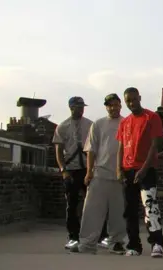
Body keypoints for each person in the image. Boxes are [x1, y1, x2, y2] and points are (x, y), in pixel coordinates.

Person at [70, 94, 126, 254]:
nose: (114, 108)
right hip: (99, 173)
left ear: (120, 106)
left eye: (116, 105)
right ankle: (87, 243)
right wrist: (89, 172)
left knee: (118, 212)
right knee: (92, 211)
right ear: (106, 107)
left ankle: (116, 243)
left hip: (118, 175)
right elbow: (91, 150)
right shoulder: (98, 124)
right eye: (110, 105)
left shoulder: (125, 123)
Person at [52, 96, 108, 250]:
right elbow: (58, 150)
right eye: (78, 107)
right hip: (71, 169)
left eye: (82, 107)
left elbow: (98, 146)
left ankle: (101, 236)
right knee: (72, 204)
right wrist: (63, 170)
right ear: (71, 107)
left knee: (96, 204)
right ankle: (73, 237)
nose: (81, 109)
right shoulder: (62, 127)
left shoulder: (90, 125)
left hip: (88, 168)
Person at [116, 87, 163, 257]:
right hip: (128, 170)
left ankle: (157, 243)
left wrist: (144, 169)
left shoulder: (151, 117)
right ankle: (134, 245)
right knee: (129, 210)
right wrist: (119, 170)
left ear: (139, 98)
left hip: (147, 169)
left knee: (150, 206)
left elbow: (155, 144)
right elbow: (121, 147)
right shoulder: (124, 122)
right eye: (128, 101)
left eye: (134, 99)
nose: (131, 103)